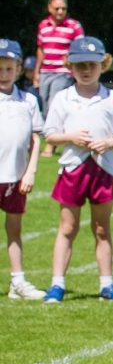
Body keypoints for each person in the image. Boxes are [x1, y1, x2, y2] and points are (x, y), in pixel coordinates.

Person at [41, 36, 113, 303]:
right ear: (70, 66)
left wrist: (107, 143)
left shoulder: (112, 98)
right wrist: (72, 138)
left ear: (103, 65)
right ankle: (57, 284)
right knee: (67, 227)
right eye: (80, 65)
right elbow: (50, 135)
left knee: (102, 228)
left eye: (92, 64)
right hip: (73, 169)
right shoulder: (63, 98)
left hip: (102, 169)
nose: (86, 70)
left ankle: (107, 284)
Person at [0, 40, 45, 300]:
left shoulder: (27, 100)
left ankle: (17, 281)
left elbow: (36, 139)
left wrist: (31, 172)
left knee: (14, 229)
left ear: (18, 69)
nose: (4, 74)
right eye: (0, 69)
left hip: (16, 177)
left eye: (9, 69)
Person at [35, 0, 83, 156]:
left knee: (53, 106)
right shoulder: (43, 26)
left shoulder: (74, 26)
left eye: (63, 8)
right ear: (49, 8)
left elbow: (80, 50)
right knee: (44, 106)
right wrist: (36, 72)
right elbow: (41, 50)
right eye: (57, 8)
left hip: (63, 72)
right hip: (46, 71)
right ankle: (53, 139)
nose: (61, 12)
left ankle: (51, 146)